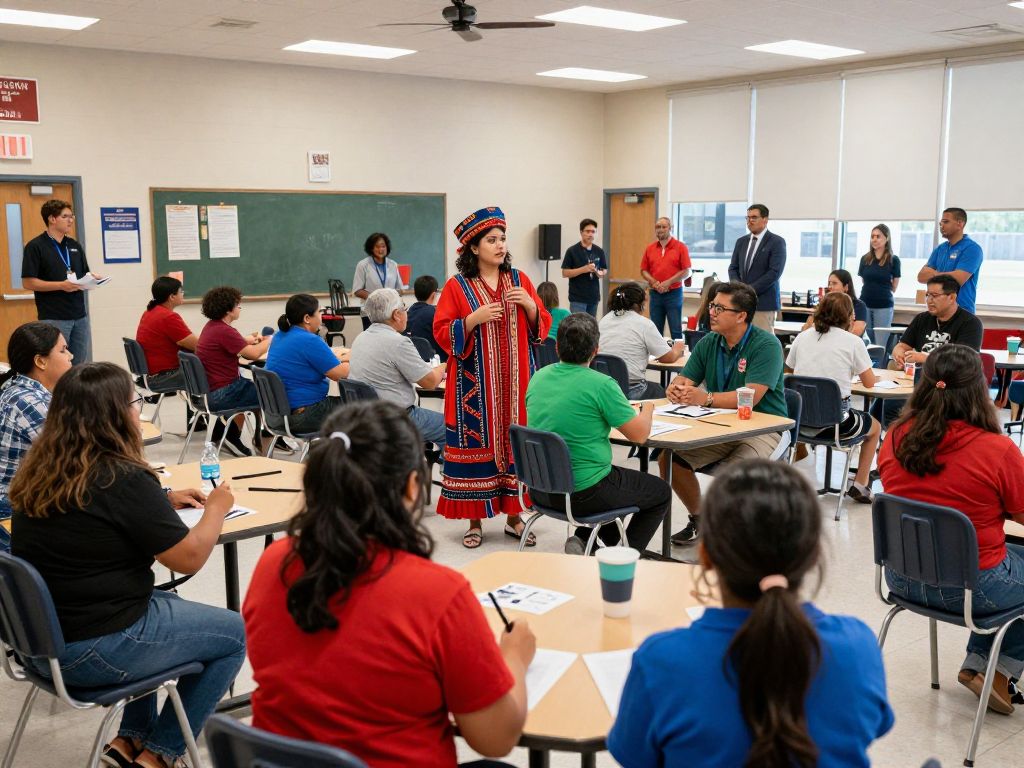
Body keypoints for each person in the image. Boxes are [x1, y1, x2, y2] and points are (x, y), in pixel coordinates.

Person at [243, 401, 535, 768]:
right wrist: (516, 658)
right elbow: (495, 738)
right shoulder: (436, 594)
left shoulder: (275, 562)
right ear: (413, 487)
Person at [10, 362, 245, 768]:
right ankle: (160, 754)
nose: (139, 409)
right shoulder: (121, 476)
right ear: (115, 414)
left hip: (38, 645)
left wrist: (160, 499)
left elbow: (98, 513)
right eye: (134, 402)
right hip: (93, 650)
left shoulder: (40, 470)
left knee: (159, 606)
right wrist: (218, 510)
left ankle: (130, 740)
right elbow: (188, 558)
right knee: (233, 634)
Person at [608, 460, 893, 767]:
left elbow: (634, 755)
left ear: (705, 556)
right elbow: (873, 726)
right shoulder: (858, 648)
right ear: (812, 556)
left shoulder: (661, 661)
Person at [879, 344, 1024, 714]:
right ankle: (996, 669)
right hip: (973, 590)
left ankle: (982, 666)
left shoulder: (895, 437)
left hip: (903, 578)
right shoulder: (998, 450)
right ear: (981, 387)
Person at [432, 206, 551, 549]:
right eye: (491, 240)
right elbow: (441, 332)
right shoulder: (457, 287)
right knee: (475, 443)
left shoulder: (519, 280)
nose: (500, 246)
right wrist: (472, 319)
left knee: (515, 441)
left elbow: (540, 324)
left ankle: (515, 517)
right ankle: (474, 520)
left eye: (502, 239)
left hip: (516, 385)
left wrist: (530, 305)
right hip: (473, 386)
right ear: (473, 247)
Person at [526, 313, 671, 554]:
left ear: (558, 347)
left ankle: (585, 540)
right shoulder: (602, 385)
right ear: (596, 350)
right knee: (659, 491)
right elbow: (639, 436)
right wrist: (647, 408)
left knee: (622, 485)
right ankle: (621, 557)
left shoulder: (538, 377)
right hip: (584, 492)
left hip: (542, 490)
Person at [660, 281, 787, 543]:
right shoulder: (709, 342)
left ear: (741, 316)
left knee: (734, 476)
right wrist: (675, 390)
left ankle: (736, 539)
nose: (711, 311)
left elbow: (750, 398)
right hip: (720, 426)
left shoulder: (767, 346)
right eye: (712, 305)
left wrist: (704, 398)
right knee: (669, 459)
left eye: (719, 307)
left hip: (762, 427)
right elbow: (685, 379)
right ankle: (700, 519)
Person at [786, 292, 881, 503]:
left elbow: (790, 371)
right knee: (874, 428)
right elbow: (869, 383)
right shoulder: (853, 342)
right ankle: (860, 484)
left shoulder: (803, 337)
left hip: (800, 421)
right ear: (849, 316)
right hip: (837, 423)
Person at [872, 274, 983, 427]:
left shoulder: (970, 323)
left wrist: (925, 358)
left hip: (948, 385)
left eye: (935, 295)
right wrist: (899, 353)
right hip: (917, 379)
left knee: (896, 405)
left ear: (952, 297)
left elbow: (964, 362)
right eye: (927, 295)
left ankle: (904, 442)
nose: (929, 300)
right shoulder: (922, 319)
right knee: (883, 403)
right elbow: (903, 345)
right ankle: (889, 442)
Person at [0, 322, 73, 552]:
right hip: (12, 511)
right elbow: (83, 462)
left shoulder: (18, 388)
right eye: (63, 350)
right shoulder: (29, 402)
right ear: (40, 361)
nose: (71, 356)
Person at [349, 288, 446, 449]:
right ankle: (452, 473)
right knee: (452, 427)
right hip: (395, 419)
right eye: (404, 308)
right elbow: (429, 382)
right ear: (396, 314)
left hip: (365, 417)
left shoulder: (361, 337)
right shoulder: (398, 342)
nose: (406, 313)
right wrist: (445, 365)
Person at [21, 199, 103, 364]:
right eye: (65, 216)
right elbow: (28, 283)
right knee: (57, 365)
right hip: (54, 317)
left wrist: (91, 278)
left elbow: (83, 273)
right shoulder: (36, 246)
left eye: (71, 216)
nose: (71, 220)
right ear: (52, 219)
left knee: (79, 365)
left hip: (80, 316)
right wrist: (61, 285)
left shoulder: (74, 245)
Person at [196, 285, 271, 456]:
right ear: (229, 310)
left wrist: (249, 340)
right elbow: (253, 354)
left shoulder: (212, 326)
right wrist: (271, 340)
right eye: (238, 305)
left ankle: (227, 433)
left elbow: (234, 343)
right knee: (272, 393)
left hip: (211, 391)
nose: (239, 308)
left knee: (250, 387)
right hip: (224, 392)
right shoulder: (225, 331)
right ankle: (268, 438)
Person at [265, 293, 350, 434]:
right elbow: (341, 374)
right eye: (319, 312)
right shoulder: (310, 340)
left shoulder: (280, 336)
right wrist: (353, 358)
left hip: (277, 416)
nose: (321, 317)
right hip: (305, 415)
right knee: (362, 407)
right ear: (307, 318)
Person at [598, 282, 685, 400]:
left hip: (603, 388)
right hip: (631, 390)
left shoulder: (604, 320)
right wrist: (677, 348)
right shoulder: (644, 324)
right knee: (661, 390)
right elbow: (667, 358)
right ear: (639, 304)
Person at [728, 203, 786, 332]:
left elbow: (774, 273)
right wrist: (738, 288)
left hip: (763, 304)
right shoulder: (741, 241)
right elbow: (733, 268)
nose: (750, 221)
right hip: (741, 303)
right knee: (741, 341)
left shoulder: (776, 242)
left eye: (754, 217)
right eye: (747, 218)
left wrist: (749, 291)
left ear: (765, 220)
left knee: (762, 344)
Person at [135, 275, 197, 392]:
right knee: (213, 371)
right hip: (162, 377)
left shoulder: (150, 312)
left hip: (149, 374)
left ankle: (196, 408)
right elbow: (195, 345)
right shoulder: (168, 317)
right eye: (181, 291)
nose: (183, 294)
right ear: (172, 297)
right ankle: (210, 407)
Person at [918, 207, 983, 315]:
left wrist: (933, 274)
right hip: (939, 311)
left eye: (946, 222)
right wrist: (946, 275)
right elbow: (921, 276)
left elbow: (958, 279)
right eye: (940, 223)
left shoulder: (972, 249)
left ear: (960, 224)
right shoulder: (940, 249)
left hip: (962, 311)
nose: (941, 226)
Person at [640, 216, 691, 340]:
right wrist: (654, 282)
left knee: (676, 330)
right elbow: (643, 270)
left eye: (664, 227)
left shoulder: (680, 247)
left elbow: (686, 271)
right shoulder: (650, 248)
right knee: (655, 330)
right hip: (655, 293)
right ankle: (657, 358)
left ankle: (679, 357)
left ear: (670, 228)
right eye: (658, 227)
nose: (660, 229)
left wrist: (669, 282)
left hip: (674, 293)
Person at [857, 223, 901, 348]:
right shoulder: (865, 259)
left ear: (886, 238)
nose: (874, 239)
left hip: (883, 306)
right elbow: (864, 281)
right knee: (866, 342)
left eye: (878, 236)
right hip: (865, 303)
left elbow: (894, 287)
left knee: (880, 343)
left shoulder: (894, 260)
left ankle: (880, 367)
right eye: (872, 236)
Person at [353, 232, 403, 330]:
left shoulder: (393, 264)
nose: (381, 249)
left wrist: (389, 296)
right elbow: (357, 290)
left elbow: (400, 289)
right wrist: (377, 298)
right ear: (371, 248)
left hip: (390, 312)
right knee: (372, 341)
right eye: (377, 247)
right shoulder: (363, 265)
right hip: (370, 312)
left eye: (383, 246)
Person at [800, 270, 867, 339]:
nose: (830, 287)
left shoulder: (858, 306)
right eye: (829, 283)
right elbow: (806, 328)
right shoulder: (825, 304)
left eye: (834, 283)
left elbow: (857, 331)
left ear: (846, 287)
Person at [560, 218, 607, 316]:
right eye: (588, 231)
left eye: (593, 232)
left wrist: (599, 273)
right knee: (578, 327)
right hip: (577, 298)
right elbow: (565, 273)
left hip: (594, 297)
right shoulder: (572, 251)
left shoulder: (599, 251)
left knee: (591, 327)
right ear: (581, 232)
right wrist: (583, 269)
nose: (590, 234)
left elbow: (604, 270)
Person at [406, 274, 447, 362]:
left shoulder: (408, 313)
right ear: (433, 295)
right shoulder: (435, 314)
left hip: (415, 361)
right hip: (435, 362)